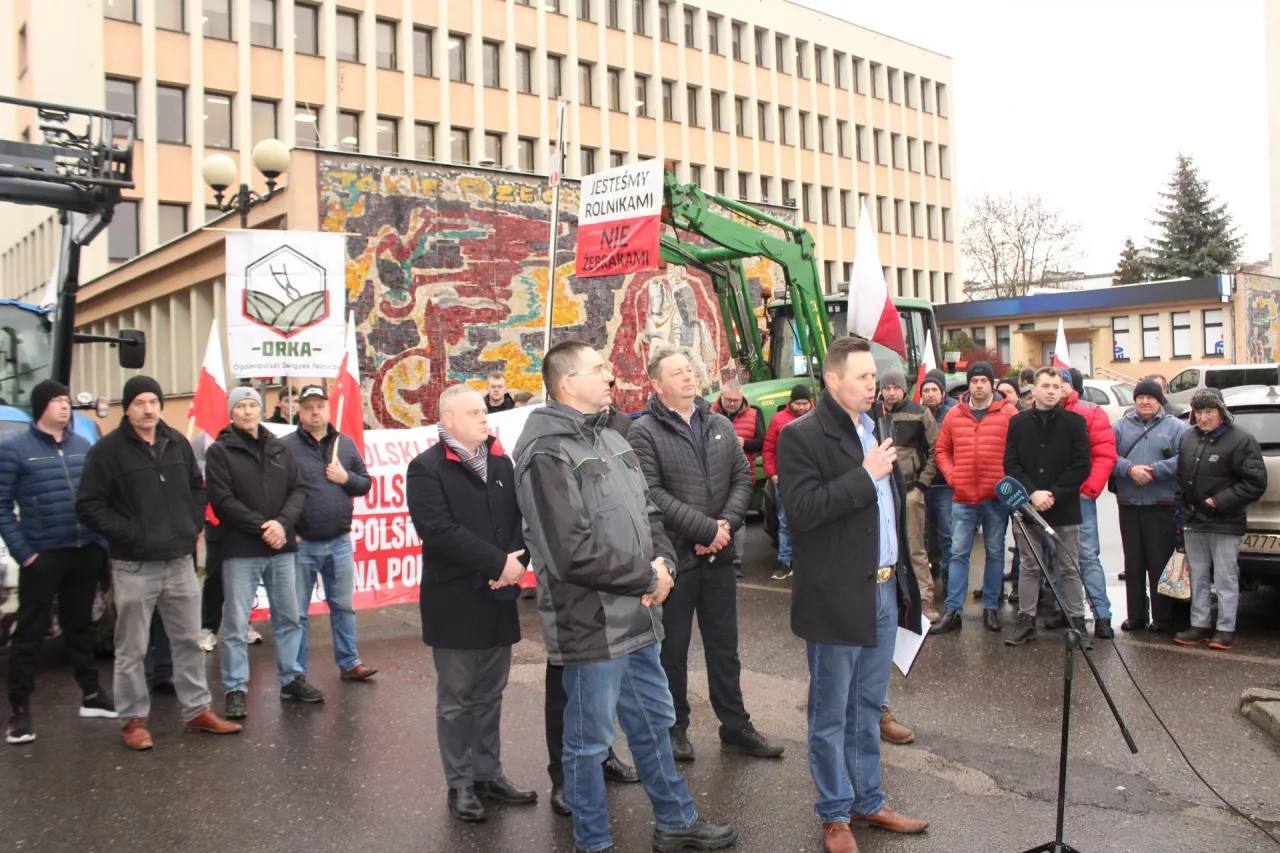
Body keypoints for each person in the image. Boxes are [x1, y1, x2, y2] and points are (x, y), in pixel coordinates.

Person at [513, 339, 735, 853]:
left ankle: (676, 823)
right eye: (598, 370)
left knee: (654, 722)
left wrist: (664, 566)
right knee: (588, 743)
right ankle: (593, 842)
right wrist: (646, 578)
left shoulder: (614, 440)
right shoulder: (546, 453)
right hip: (590, 623)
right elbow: (568, 554)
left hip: (638, 616)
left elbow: (650, 514)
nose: (610, 377)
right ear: (567, 383)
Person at [777, 335, 927, 853]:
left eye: (875, 376)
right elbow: (803, 512)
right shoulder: (802, 435)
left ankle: (869, 800)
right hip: (836, 596)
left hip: (884, 591)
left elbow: (889, 517)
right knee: (831, 712)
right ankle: (834, 813)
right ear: (833, 380)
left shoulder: (876, 427)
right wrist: (864, 476)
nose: (874, 384)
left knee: (868, 708)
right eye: (863, 377)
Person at [629, 348, 783, 764]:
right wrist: (704, 530)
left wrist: (726, 527)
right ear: (656, 385)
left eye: (689, 369)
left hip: (717, 556)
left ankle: (735, 726)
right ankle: (674, 727)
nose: (688, 377)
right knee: (672, 650)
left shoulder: (717, 423)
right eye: (677, 373)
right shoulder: (643, 433)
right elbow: (651, 492)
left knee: (724, 647)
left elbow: (742, 476)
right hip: (676, 561)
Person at [75, 376, 242, 749]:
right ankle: (133, 720)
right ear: (128, 407)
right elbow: (88, 505)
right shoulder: (108, 451)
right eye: (140, 403)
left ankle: (197, 710)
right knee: (131, 649)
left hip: (180, 561)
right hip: (134, 565)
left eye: (153, 402)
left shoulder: (176, 442)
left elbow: (198, 488)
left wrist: (191, 523)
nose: (148, 409)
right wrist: (129, 532)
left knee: (188, 640)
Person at [406, 384, 537, 823]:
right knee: (457, 698)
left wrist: (516, 564)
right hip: (455, 601)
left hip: (499, 597)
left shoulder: (501, 462)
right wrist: (496, 563)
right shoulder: (425, 469)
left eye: (485, 411)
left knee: (490, 693)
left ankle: (488, 773)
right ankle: (460, 783)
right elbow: (438, 530)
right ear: (447, 420)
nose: (485, 418)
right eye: (474, 412)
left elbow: (521, 520)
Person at [0, 380, 115, 744]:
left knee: (78, 627)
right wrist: (26, 553)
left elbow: (99, 498)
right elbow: (2, 507)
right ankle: (20, 711)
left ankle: (92, 694)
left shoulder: (83, 447)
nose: (65, 407)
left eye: (67, 400)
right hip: (43, 555)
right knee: (30, 633)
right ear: (41, 407)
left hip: (83, 551)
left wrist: (100, 543)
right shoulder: (15, 450)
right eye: (57, 401)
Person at [205, 386, 321, 720]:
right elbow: (222, 501)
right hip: (241, 549)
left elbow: (298, 490)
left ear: (260, 409)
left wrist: (282, 524)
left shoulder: (279, 447)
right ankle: (235, 688)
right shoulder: (220, 451)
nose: (247, 412)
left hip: (281, 547)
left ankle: (291, 678)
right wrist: (263, 527)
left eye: (252, 405)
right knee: (237, 623)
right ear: (231, 412)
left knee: (288, 617)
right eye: (240, 406)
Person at [282, 385, 377, 681]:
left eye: (320, 406)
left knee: (343, 607)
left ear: (328, 408)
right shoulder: (285, 447)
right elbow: (275, 491)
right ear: (300, 411)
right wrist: (289, 530)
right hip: (302, 545)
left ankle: (349, 663)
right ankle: (296, 672)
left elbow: (364, 484)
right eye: (308, 406)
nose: (315, 412)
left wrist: (345, 477)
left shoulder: (344, 444)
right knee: (297, 613)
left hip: (339, 542)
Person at [1002, 368, 1093, 646]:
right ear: (1034, 390)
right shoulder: (1018, 423)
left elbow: (1081, 465)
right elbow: (1011, 464)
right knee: (1029, 567)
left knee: (1069, 566)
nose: (1052, 390)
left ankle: (1077, 623)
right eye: (1046, 385)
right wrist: (1032, 493)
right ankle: (1026, 621)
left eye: (1057, 386)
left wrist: (1052, 493)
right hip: (1028, 508)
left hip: (1063, 507)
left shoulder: (1075, 423)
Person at [1173, 389, 1267, 651]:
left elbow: (1255, 482)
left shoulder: (1241, 440)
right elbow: (1180, 480)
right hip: (1194, 521)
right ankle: (1199, 624)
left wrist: (1218, 501)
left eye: (1209, 412)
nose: (1203, 418)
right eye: (1199, 412)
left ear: (1221, 413)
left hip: (1226, 522)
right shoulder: (1189, 437)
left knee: (1226, 578)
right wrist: (1182, 512)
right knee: (1198, 576)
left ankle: (1226, 629)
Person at [930, 362, 1017, 635]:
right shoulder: (955, 415)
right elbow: (941, 450)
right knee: (958, 553)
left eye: (984, 380)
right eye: (975, 380)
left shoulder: (1009, 413)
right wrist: (953, 476)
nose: (979, 385)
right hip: (963, 496)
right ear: (969, 384)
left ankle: (990, 608)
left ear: (992, 384)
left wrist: (1006, 479)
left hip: (995, 498)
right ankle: (953, 610)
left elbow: (1018, 450)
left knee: (994, 552)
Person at [1112, 379, 1188, 634]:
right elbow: (1107, 455)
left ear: (1160, 401)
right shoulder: (1120, 427)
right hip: (1129, 503)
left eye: (1150, 398)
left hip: (1161, 504)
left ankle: (1162, 618)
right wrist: (1129, 469)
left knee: (1159, 562)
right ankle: (1136, 615)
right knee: (1133, 563)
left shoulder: (1176, 427)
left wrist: (1154, 471)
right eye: (1140, 397)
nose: (1145, 402)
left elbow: (1184, 459)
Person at [1056, 367, 1119, 638]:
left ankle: (1101, 613)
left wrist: (1090, 488)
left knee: (1087, 555)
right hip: (1050, 498)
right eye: (1051, 383)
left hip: (1080, 497)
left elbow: (1105, 454)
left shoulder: (1091, 412)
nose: (1056, 388)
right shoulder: (1038, 414)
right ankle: (1068, 613)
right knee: (1059, 555)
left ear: (1072, 386)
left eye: (1062, 383)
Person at [878, 367, 941, 623]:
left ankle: (925, 598)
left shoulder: (920, 413)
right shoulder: (872, 413)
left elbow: (937, 450)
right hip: (882, 492)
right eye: (887, 387)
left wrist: (923, 484)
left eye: (896, 387)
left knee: (915, 547)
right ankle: (891, 599)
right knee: (885, 547)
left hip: (910, 490)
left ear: (904, 389)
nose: (891, 392)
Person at [192, 431, 263, 652]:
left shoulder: (247, 438)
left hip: (244, 520)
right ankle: (209, 628)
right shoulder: (200, 439)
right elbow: (194, 472)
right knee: (215, 576)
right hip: (216, 519)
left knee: (244, 577)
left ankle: (245, 623)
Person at [712, 379, 765, 579]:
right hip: (716, 476)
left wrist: (746, 443)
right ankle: (719, 556)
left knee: (739, 520)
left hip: (742, 476)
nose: (732, 403)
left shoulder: (754, 414)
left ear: (742, 397)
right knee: (717, 518)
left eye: (736, 400)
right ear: (722, 396)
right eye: (728, 400)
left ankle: (737, 561)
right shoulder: (709, 413)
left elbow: (762, 442)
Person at [762, 384, 813, 580]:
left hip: (809, 479)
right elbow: (768, 450)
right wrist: (773, 474)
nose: (801, 408)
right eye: (798, 403)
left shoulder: (816, 419)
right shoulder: (778, 420)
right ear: (790, 402)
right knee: (784, 521)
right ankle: (785, 561)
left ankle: (808, 560)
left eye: (805, 403)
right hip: (784, 480)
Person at [919, 370, 956, 598]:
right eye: (926, 391)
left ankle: (949, 577)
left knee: (947, 534)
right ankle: (924, 581)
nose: (930, 394)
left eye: (934, 390)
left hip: (944, 485)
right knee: (922, 534)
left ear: (942, 393)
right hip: (923, 484)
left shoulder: (951, 415)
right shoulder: (916, 414)